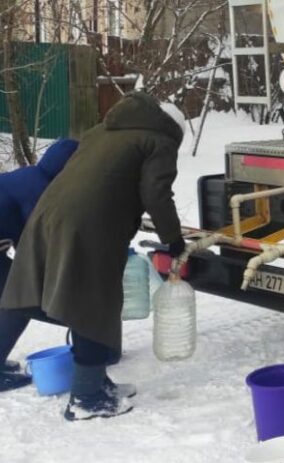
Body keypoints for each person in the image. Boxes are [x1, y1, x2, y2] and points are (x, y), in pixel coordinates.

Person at [0, 92, 188, 420]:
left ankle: (98, 383)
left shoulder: (102, 131)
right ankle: (86, 398)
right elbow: (157, 193)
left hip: (49, 216)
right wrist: (173, 239)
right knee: (93, 304)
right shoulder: (159, 139)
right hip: (90, 227)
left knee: (88, 301)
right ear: (175, 130)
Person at [0, 138, 79, 390]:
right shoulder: (41, 189)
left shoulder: (32, 176)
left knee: (10, 297)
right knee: (18, 302)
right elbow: (40, 241)